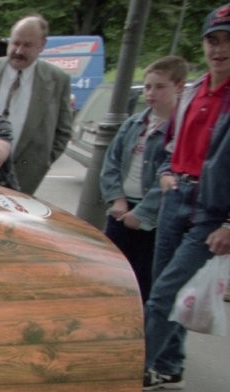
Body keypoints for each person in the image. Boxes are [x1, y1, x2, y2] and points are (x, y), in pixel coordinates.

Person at [139, 4, 230, 391]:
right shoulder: (193, 91)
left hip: (211, 211)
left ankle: (134, 371)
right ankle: (169, 364)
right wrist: (165, 173)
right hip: (176, 197)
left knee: (163, 294)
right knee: (167, 288)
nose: (219, 49)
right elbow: (171, 141)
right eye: (213, 40)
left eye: (228, 41)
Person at [99, 56, 188, 301]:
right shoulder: (134, 123)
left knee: (143, 279)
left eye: (160, 87)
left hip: (152, 218)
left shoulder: (181, 129)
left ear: (179, 86)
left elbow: (172, 173)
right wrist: (117, 198)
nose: (151, 93)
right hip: (122, 209)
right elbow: (112, 161)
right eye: (147, 87)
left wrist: (143, 213)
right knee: (111, 272)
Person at [0, 15, 72, 195]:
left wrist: (42, 163)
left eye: (27, 45)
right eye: (15, 43)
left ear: (42, 45)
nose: (18, 50)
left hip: (23, 179)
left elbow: (63, 131)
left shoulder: (57, 80)